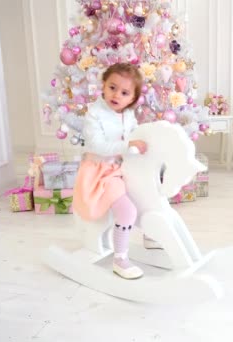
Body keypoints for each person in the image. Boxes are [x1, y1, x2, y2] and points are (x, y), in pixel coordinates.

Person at [73, 63, 148, 280]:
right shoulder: (94, 114)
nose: (116, 95)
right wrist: (128, 146)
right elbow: (97, 145)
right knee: (127, 211)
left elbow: (135, 134)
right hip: (100, 171)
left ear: (132, 98)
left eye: (124, 92)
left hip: (121, 167)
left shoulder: (128, 115)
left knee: (144, 194)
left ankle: (151, 235)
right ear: (103, 85)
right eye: (112, 87)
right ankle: (120, 258)